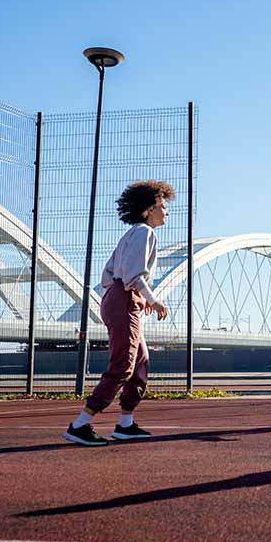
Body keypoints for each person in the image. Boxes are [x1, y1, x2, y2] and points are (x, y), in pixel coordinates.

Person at [63, 180, 173, 446]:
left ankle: (125, 424)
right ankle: (80, 424)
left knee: (140, 362)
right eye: (162, 206)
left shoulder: (135, 233)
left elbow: (119, 273)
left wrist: (138, 296)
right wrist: (153, 300)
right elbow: (133, 274)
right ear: (148, 209)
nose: (166, 212)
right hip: (122, 300)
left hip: (123, 298)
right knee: (124, 364)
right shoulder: (144, 233)